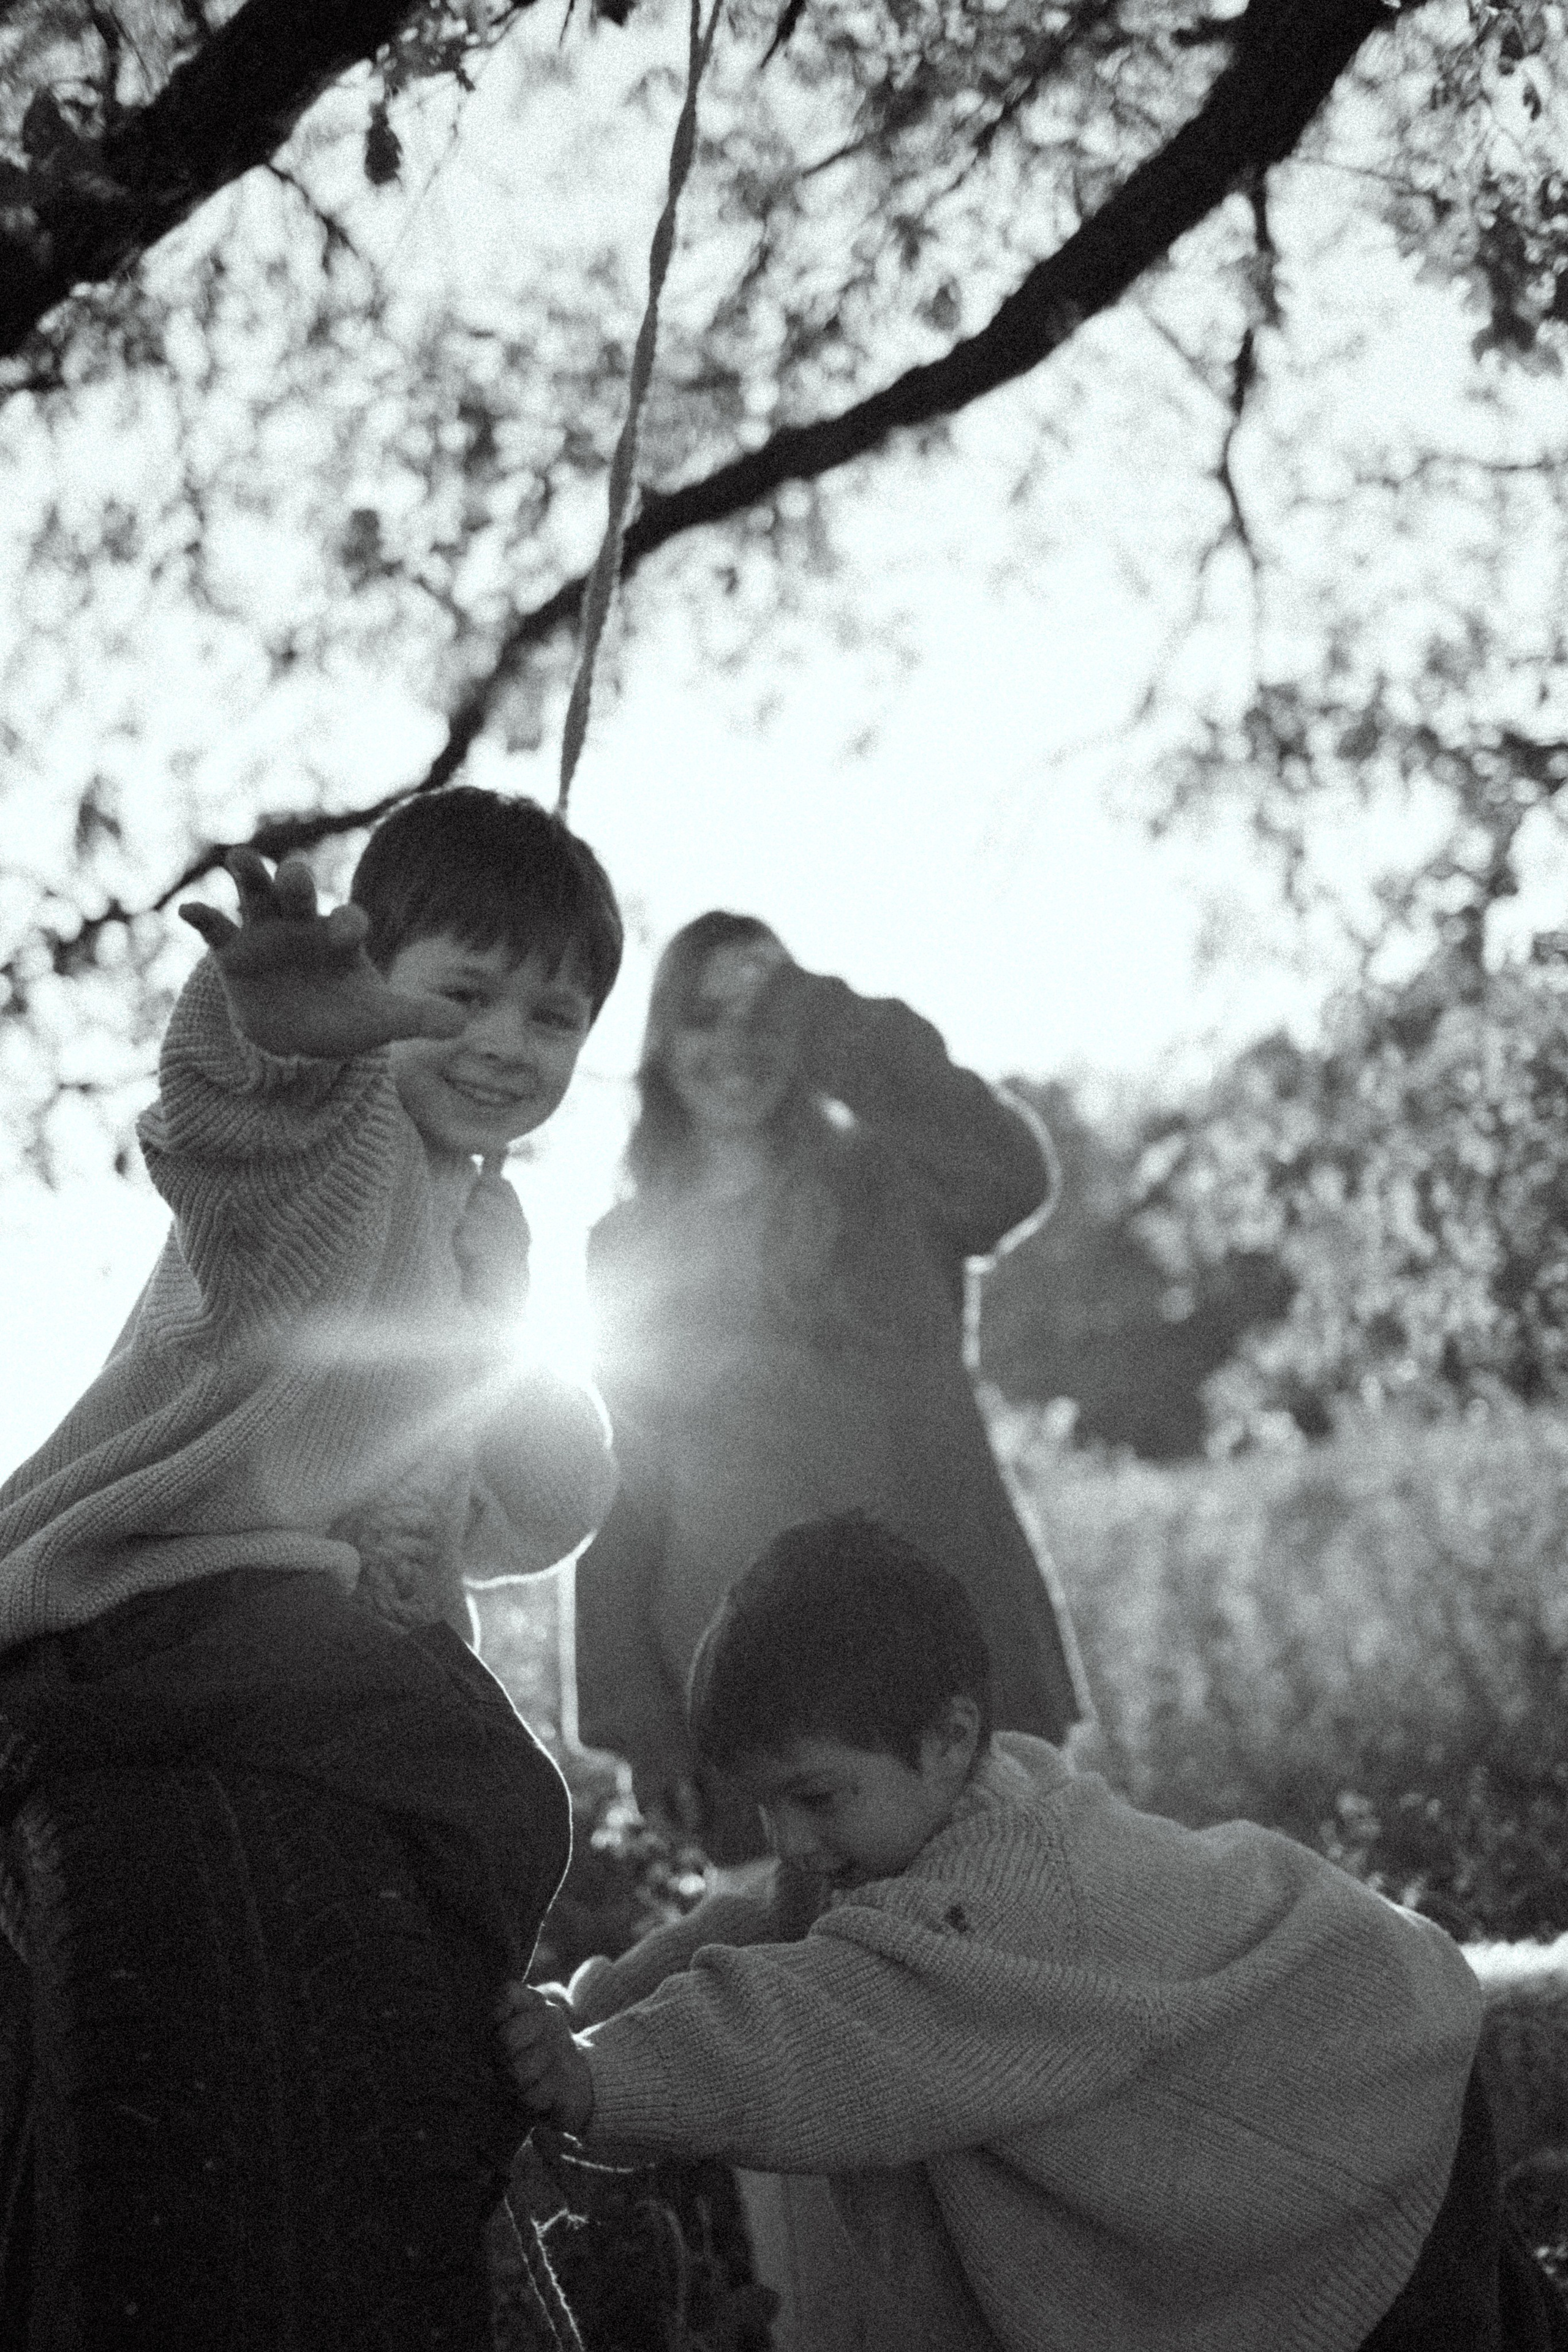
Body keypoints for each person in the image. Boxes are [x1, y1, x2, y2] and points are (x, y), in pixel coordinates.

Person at [0, 786, 622, 2346]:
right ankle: (477, 2129)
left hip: (297, 1613)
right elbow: (225, 1126)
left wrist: (511, 1335)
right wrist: (271, 1021)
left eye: (551, 1016)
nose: (504, 1043)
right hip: (167, 1581)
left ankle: (435, 2138)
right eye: (460, 993)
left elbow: (531, 1513)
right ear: (369, 974)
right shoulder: (340, 1138)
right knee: (484, 1778)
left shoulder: (473, 1215)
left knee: (474, 1773)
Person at [500, 1510, 1568, 2352]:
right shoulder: (912, 1832)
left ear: (949, 1736)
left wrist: (599, 2079)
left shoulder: (1000, 1899)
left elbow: (816, 2030)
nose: (789, 1839)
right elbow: (748, 1934)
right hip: (1328, 2129)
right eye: (767, 1804)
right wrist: (593, 2015)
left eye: (815, 1796)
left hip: (1367, 2171)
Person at [575, 910, 1084, 1861]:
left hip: (947, 1663)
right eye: (703, 1018)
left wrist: (820, 1007)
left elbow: (1012, 1173)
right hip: (747, 1691)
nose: (734, 1047)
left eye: (762, 1019)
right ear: (660, 1042)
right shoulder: (625, 1248)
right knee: (806, 1987)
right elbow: (621, 1490)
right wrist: (642, 1726)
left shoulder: (883, 1185)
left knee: (1018, 1949)